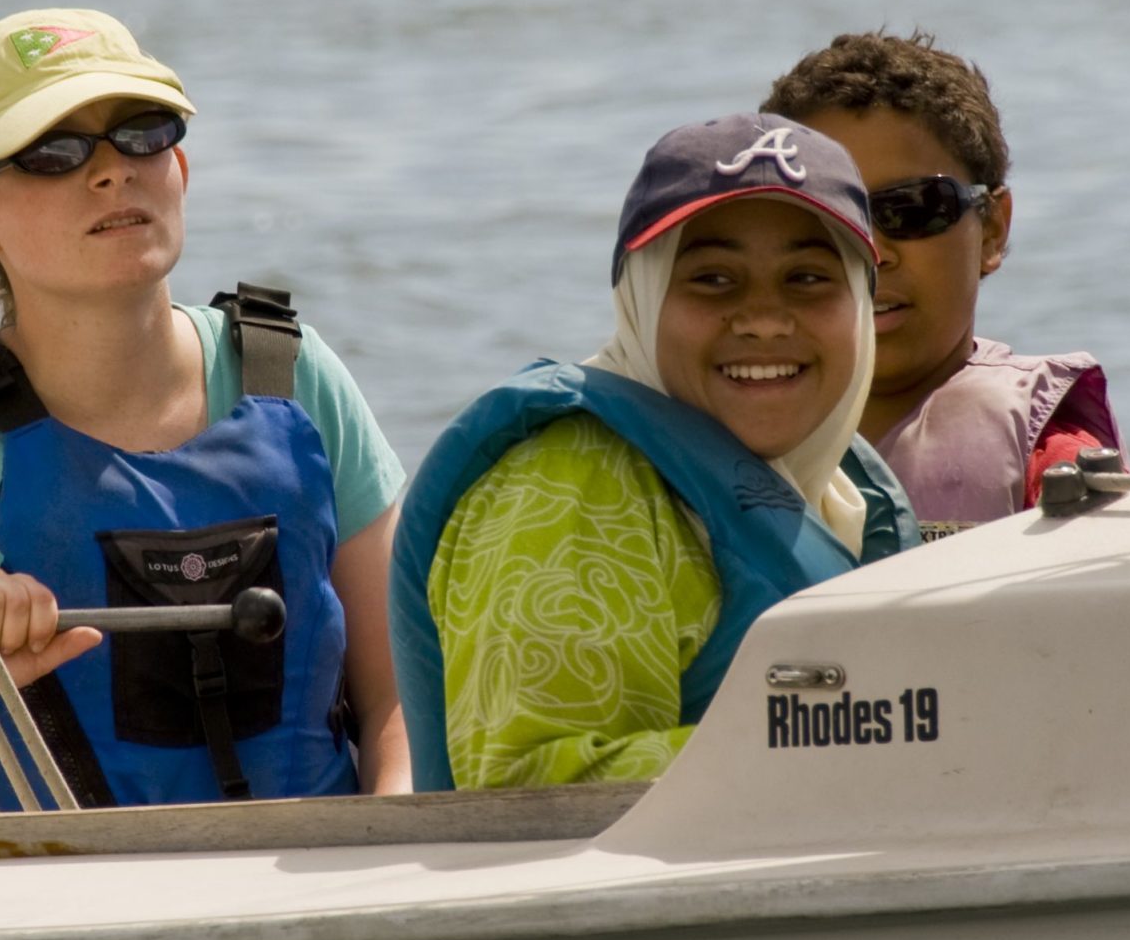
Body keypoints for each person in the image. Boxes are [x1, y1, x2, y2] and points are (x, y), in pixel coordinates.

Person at [0, 9, 409, 812]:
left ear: (182, 170)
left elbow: (401, 697)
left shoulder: (301, 377)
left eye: (141, 131)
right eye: (53, 152)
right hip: (34, 912)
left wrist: (390, 828)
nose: (110, 172)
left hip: (306, 889)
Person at [389, 113, 918, 791]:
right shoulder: (569, 485)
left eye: (809, 278)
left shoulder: (840, 488)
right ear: (641, 298)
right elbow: (529, 790)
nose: (762, 318)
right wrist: (855, 748)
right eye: (714, 279)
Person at [762, 32, 1119, 533]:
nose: (873, 253)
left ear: (992, 229)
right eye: (829, 223)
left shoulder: (1052, 454)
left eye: (911, 210)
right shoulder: (714, 434)